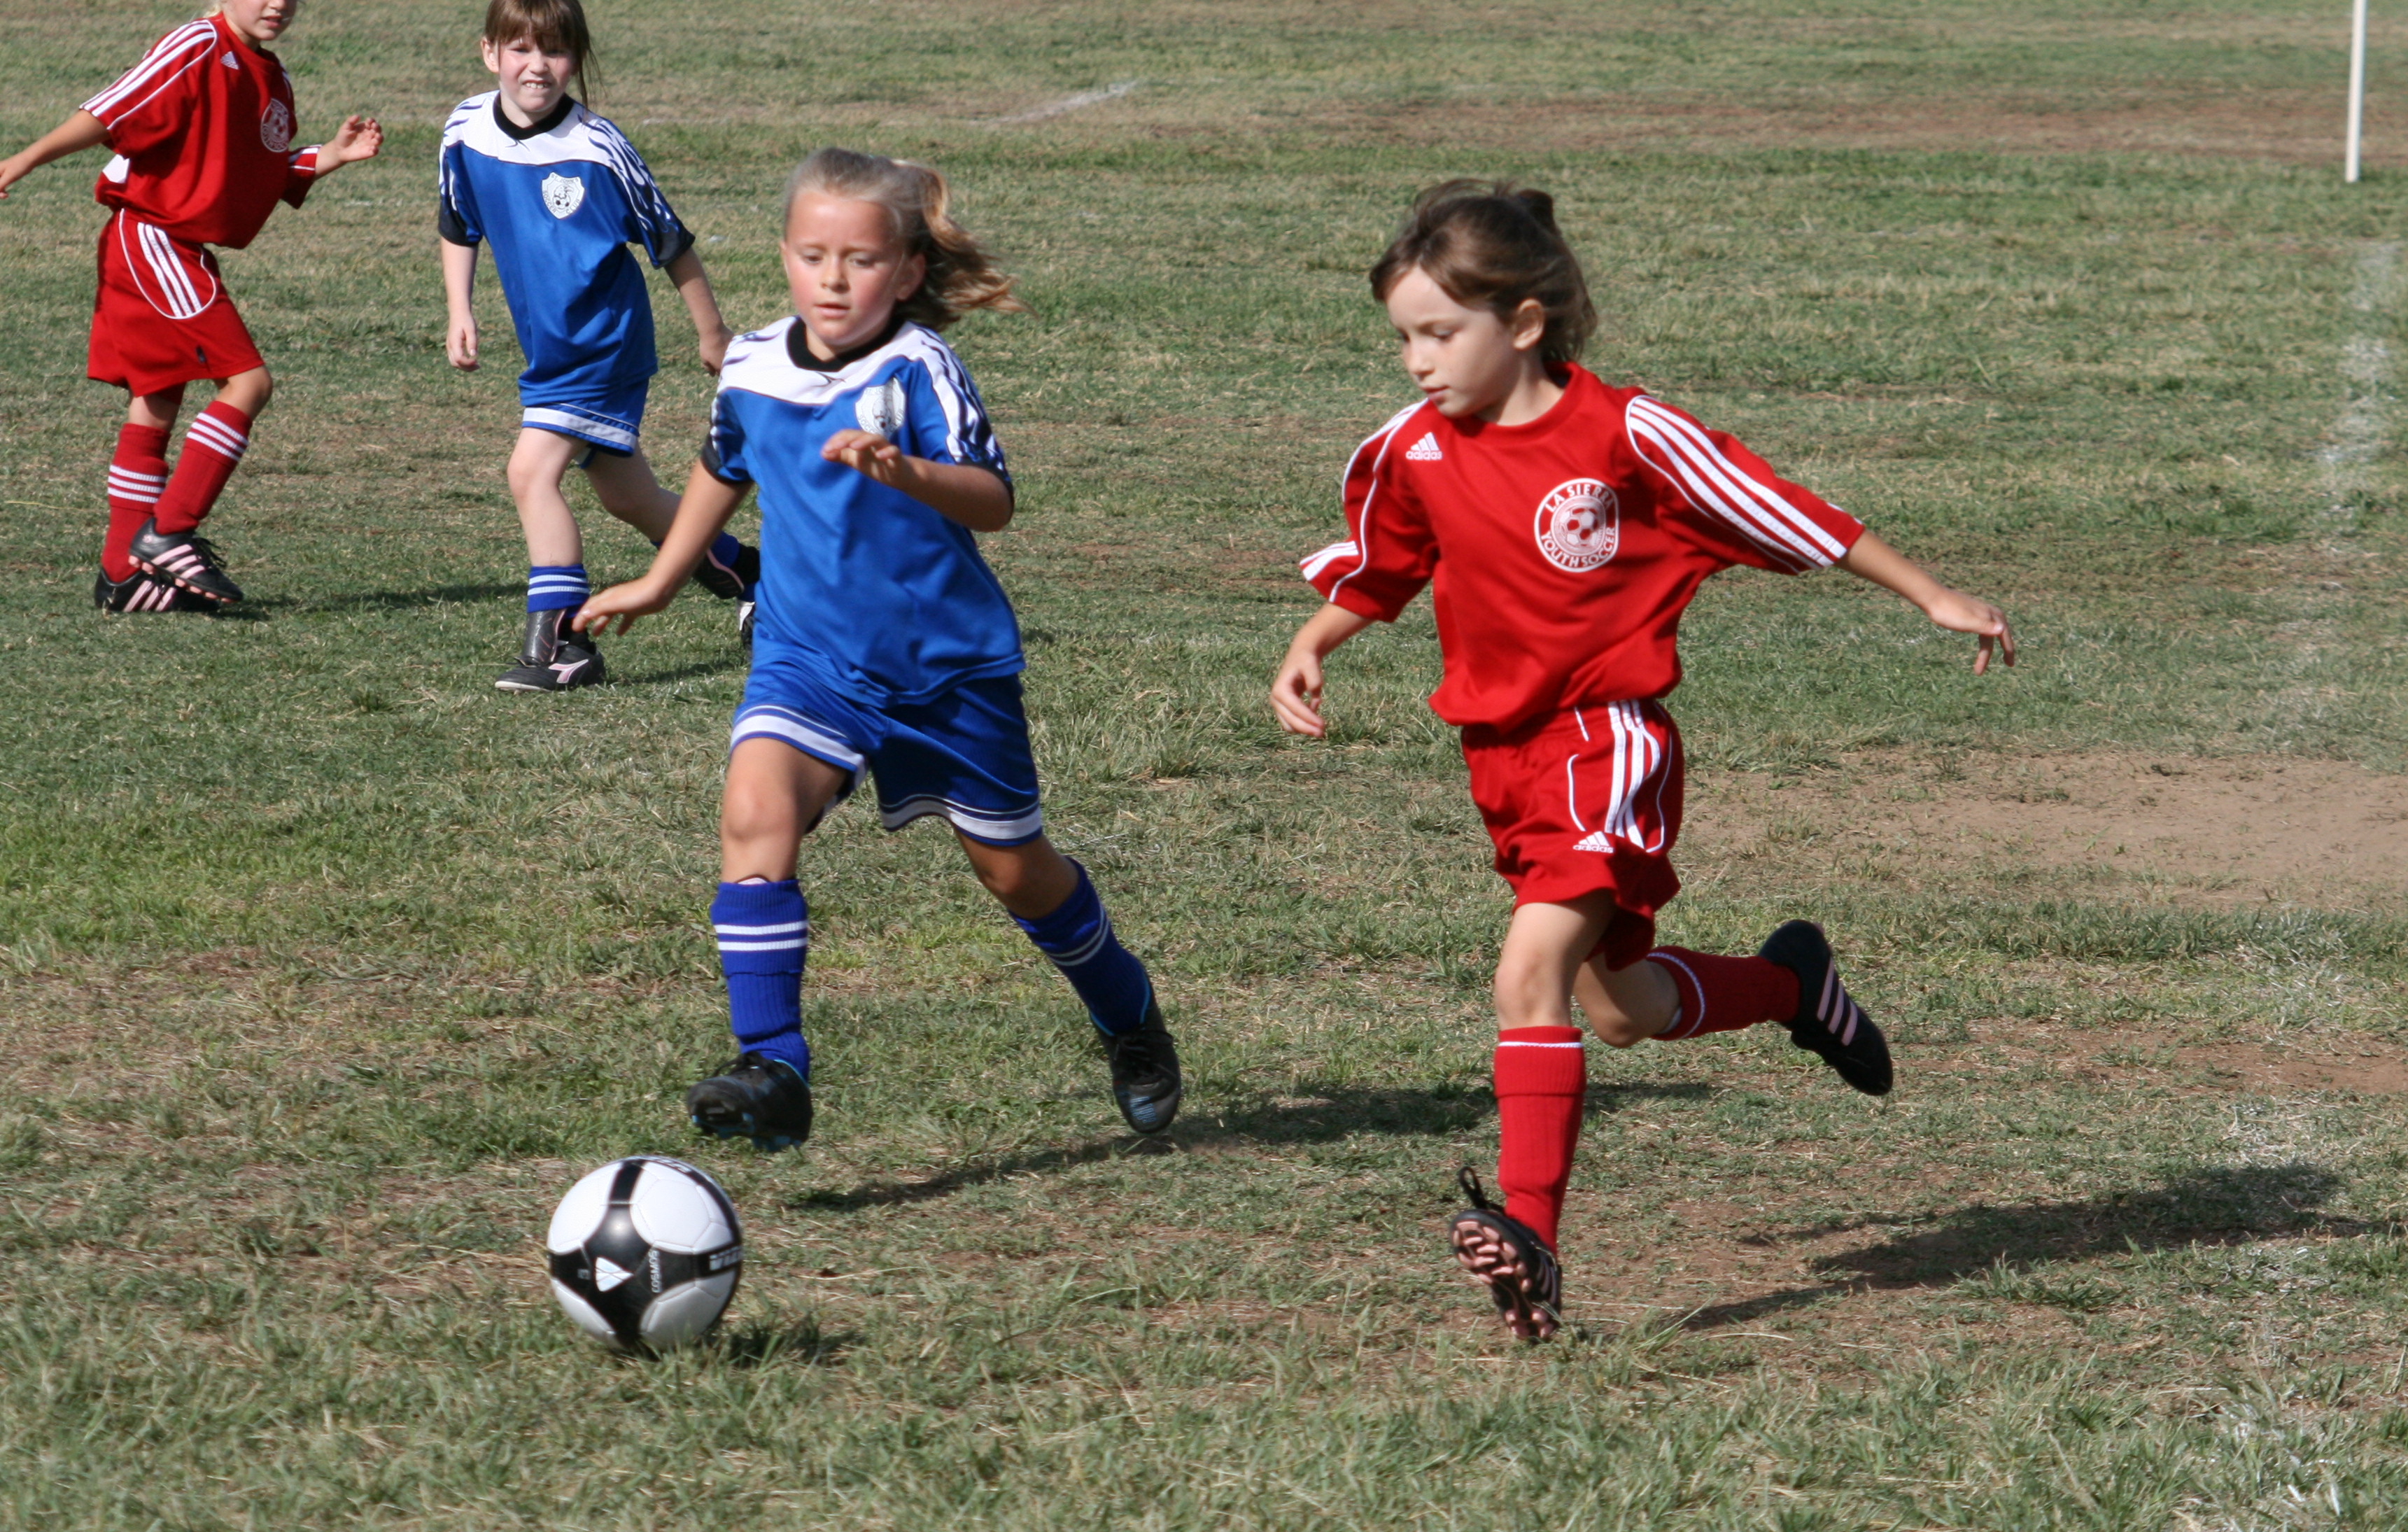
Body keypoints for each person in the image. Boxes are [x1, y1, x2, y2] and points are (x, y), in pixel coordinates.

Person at [1272, 181, 2016, 1342]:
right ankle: (1793, 986)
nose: (1416, 361)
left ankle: (1530, 1246)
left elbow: (1782, 508)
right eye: (1404, 338)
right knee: (1621, 1011)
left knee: (1527, 976)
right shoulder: (1410, 450)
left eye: (1439, 334)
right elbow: (1386, 565)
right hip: (1501, 760)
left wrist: (1933, 595)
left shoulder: (1624, 434)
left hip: (1605, 742)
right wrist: (1314, 643)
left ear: (1523, 323)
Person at [579, 148, 1182, 1151]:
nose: (832, 280)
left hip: (946, 672)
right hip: (808, 656)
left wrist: (908, 473)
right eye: (811, 256)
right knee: (755, 813)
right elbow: (724, 465)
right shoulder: (754, 363)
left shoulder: (918, 369)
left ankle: (1128, 1013)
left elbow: (994, 502)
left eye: (860, 261)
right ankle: (773, 1065)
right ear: (783, 255)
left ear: (905, 273)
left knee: (1015, 874)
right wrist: (661, 577)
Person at [0, 0, 382, 614]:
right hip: (154, 240)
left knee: (157, 399)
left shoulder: (272, 76)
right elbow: (111, 108)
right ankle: (169, 531)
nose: (278, 3)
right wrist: (23, 159)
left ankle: (123, 576)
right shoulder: (198, 44)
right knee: (249, 383)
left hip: (169, 244)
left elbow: (249, 172)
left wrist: (330, 156)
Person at [439, 0, 756, 693]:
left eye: (554, 51)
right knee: (629, 497)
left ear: (575, 61)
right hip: (548, 351)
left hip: (602, 344)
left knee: (530, 473)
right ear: (490, 53)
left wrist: (712, 333)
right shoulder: (465, 129)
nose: (536, 66)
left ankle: (563, 645)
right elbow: (458, 223)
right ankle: (754, 578)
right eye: (520, 49)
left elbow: (670, 242)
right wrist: (460, 309)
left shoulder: (597, 149)